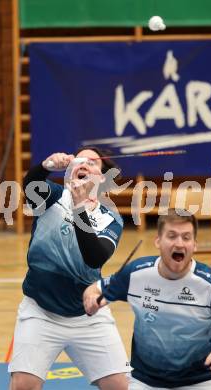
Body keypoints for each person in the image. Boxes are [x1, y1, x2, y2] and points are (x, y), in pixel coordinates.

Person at [83, 208, 211, 389]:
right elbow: (94, 289)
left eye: (186, 237)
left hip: (203, 380)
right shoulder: (136, 274)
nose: (179, 243)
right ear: (158, 241)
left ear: (194, 245)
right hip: (146, 381)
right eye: (172, 236)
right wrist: (92, 298)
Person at [8, 148, 130, 390]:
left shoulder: (110, 218)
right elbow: (30, 183)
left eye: (93, 163)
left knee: (119, 386)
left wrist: (78, 208)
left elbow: (94, 258)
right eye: (80, 160)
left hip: (88, 316)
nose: (84, 164)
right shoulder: (52, 197)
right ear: (71, 169)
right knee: (23, 385)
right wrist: (44, 167)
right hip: (41, 311)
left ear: (103, 178)